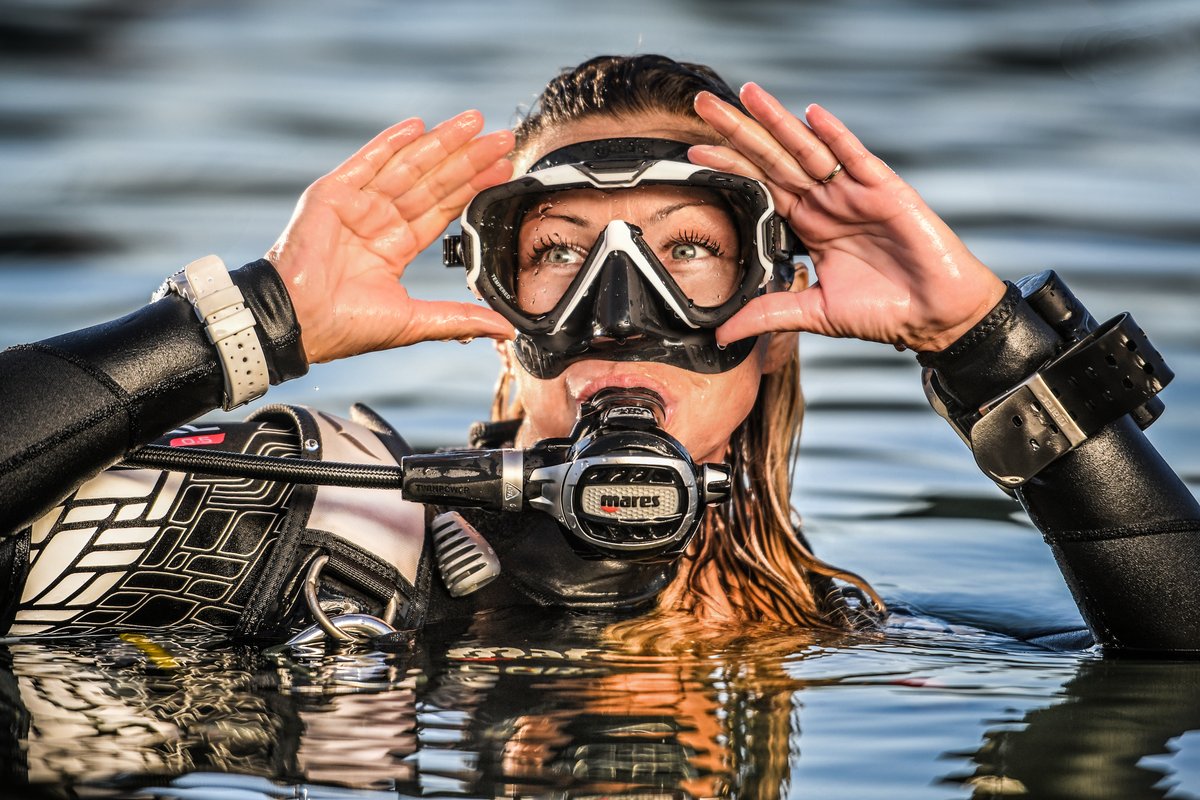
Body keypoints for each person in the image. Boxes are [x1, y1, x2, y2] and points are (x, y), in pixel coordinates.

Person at [1, 55, 1197, 653]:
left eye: (688, 251)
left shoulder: (843, 638)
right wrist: (250, 326)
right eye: (560, 250)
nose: (621, 310)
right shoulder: (303, 525)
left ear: (775, 328)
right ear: (502, 321)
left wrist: (985, 345)